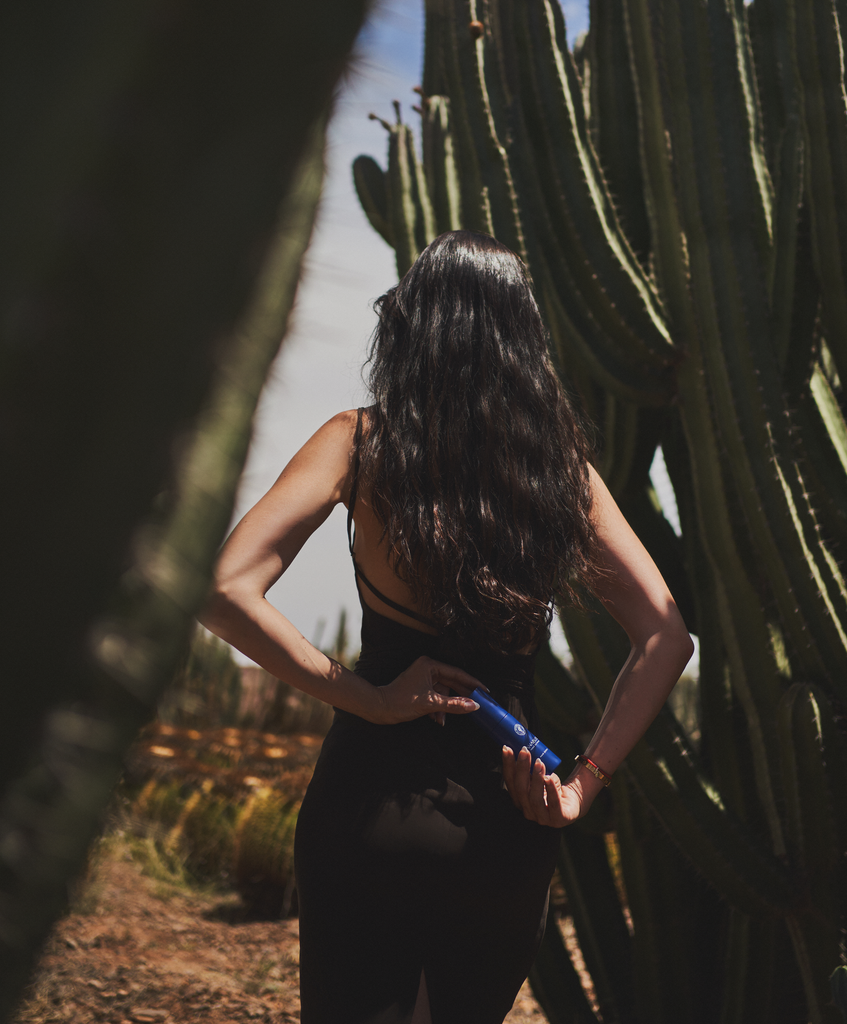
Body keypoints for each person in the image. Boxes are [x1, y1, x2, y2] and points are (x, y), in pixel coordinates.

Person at [199, 230, 693, 1024]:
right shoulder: (561, 475)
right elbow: (666, 635)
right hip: (508, 811)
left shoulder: (359, 443)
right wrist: (582, 786)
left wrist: (369, 698)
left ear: (413, 325)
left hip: (370, 801)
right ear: (522, 338)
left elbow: (223, 588)